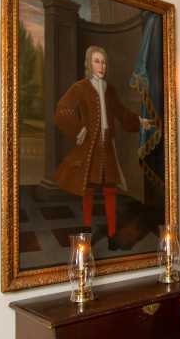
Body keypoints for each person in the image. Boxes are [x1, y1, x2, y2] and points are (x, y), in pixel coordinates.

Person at [54, 45, 152, 249]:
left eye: (104, 61)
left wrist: (140, 121)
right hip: (90, 147)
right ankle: (87, 234)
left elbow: (121, 113)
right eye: (97, 61)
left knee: (110, 191)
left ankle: (112, 234)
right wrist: (78, 129)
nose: (101, 65)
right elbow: (62, 110)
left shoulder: (110, 89)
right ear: (89, 63)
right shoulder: (80, 87)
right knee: (88, 190)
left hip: (108, 146)